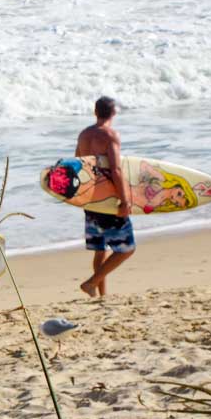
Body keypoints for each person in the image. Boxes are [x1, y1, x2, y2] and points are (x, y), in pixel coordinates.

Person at [76, 97, 136, 298]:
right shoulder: (110, 135)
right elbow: (116, 169)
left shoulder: (83, 135)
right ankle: (91, 283)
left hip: (91, 198)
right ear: (113, 113)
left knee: (100, 249)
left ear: (95, 112)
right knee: (127, 249)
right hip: (109, 200)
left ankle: (101, 294)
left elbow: (77, 164)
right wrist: (125, 199)